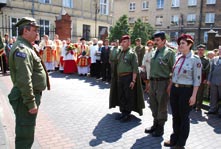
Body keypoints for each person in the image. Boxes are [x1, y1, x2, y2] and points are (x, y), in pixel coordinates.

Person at [8, 17, 50, 149]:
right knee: (25, 134)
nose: (38, 33)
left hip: (25, 96)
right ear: (25, 31)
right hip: (24, 98)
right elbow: (24, 79)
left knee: (26, 131)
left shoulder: (26, 46)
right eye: (34, 30)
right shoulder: (22, 49)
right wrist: (31, 102)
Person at [164, 34, 201, 148]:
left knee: (184, 117)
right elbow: (174, 74)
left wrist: (194, 96)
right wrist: (170, 86)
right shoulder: (178, 57)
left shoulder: (195, 60)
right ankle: (174, 138)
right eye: (179, 43)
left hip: (186, 91)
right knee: (175, 115)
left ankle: (181, 143)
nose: (180, 45)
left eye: (183, 43)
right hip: (175, 89)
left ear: (190, 45)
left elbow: (197, 80)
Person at [145, 31, 175, 137]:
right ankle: (155, 124)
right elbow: (151, 69)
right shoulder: (153, 52)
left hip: (163, 82)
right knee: (153, 104)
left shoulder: (169, 53)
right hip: (153, 82)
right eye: (154, 40)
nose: (155, 42)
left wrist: (170, 84)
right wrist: (148, 83)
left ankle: (160, 127)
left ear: (163, 41)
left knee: (162, 106)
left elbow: (174, 70)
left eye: (157, 40)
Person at [109, 35, 145, 122]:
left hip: (128, 77)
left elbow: (135, 68)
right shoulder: (120, 52)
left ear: (129, 43)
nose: (122, 43)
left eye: (125, 42)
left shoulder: (132, 54)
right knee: (121, 95)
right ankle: (123, 112)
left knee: (128, 95)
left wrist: (133, 80)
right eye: (122, 41)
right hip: (120, 77)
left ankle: (127, 114)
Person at [206, 46, 221, 115]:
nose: (220, 51)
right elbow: (210, 70)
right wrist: (209, 80)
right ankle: (212, 109)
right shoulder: (214, 59)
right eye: (219, 49)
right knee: (213, 96)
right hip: (213, 81)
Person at [195, 44, 210, 111]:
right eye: (199, 50)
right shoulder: (194, 58)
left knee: (200, 93)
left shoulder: (206, 60)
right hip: (193, 77)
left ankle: (198, 106)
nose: (200, 51)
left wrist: (206, 79)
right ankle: (193, 104)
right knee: (192, 91)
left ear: (204, 51)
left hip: (201, 78)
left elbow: (208, 70)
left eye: (202, 50)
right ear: (197, 50)